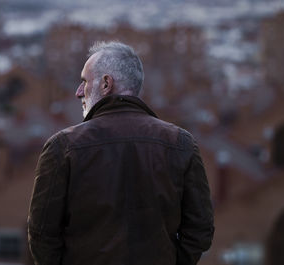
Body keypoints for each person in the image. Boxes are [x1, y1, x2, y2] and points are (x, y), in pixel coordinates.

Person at [27, 41, 214, 265]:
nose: (78, 92)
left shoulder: (63, 147)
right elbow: (200, 230)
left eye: (85, 81)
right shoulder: (181, 144)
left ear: (106, 84)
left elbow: (41, 234)